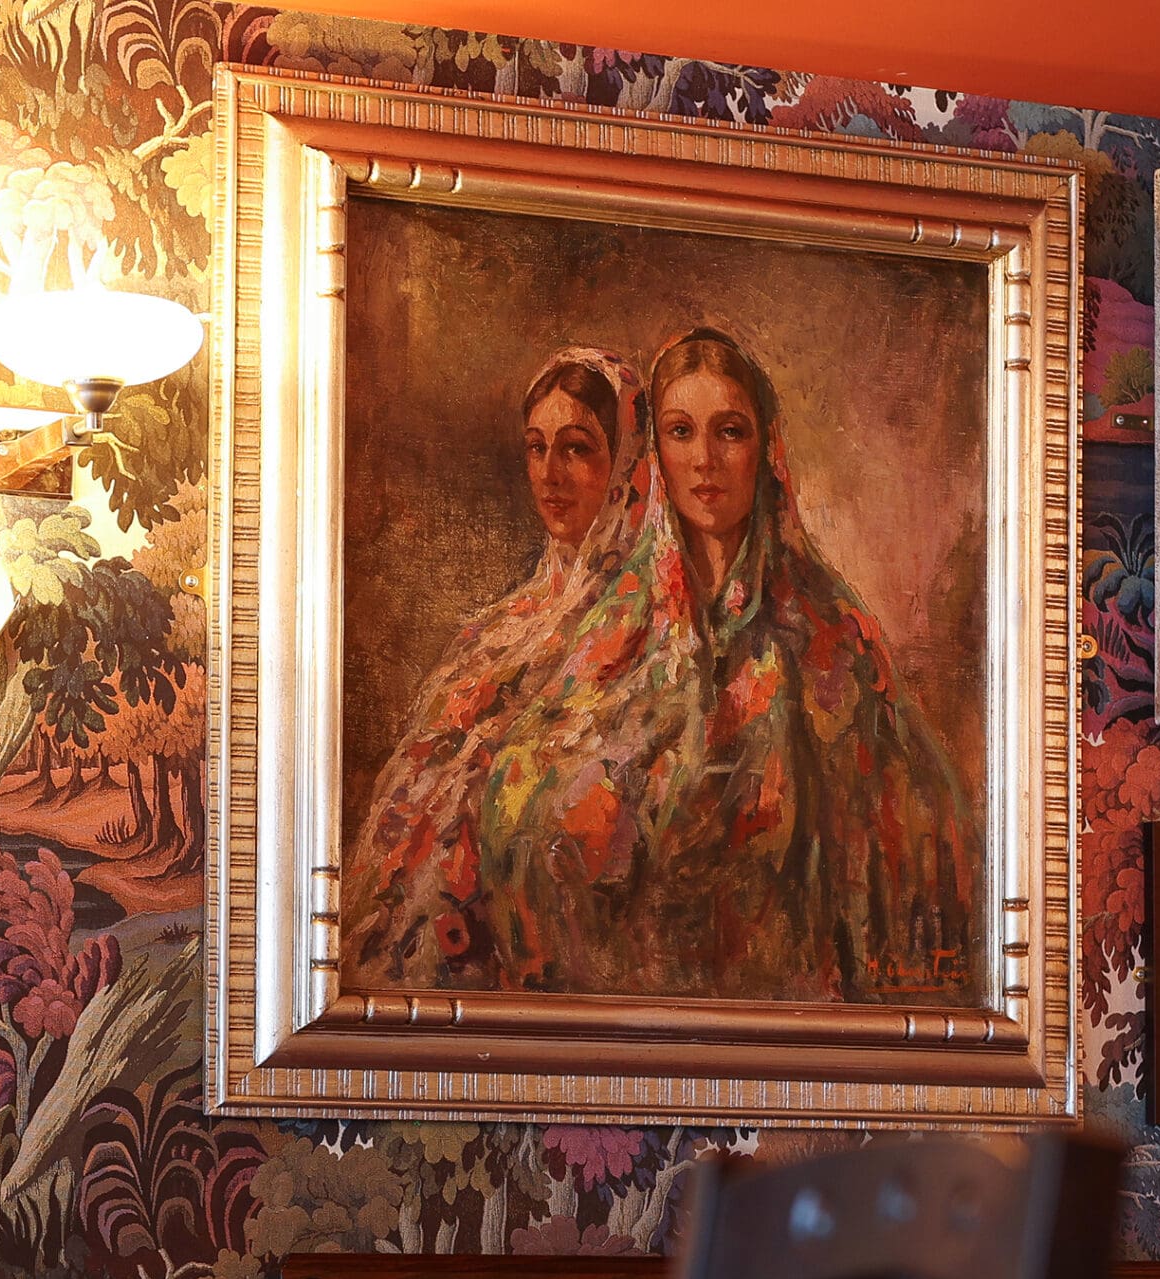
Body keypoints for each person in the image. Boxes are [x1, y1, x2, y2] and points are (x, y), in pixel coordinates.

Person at [632, 328, 975, 1004]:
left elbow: (920, 810)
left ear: (766, 452)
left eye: (729, 431)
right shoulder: (616, 627)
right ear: (654, 454)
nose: (704, 459)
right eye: (680, 431)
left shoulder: (827, 630)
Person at [344, 347, 691, 991]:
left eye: (578, 448)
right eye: (537, 447)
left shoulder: (657, 631)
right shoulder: (500, 630)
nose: (550, 474)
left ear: (628, 468)